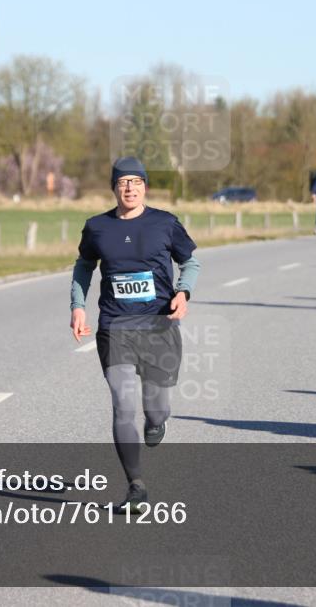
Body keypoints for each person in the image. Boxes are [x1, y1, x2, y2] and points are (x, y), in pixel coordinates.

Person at [70, 156, 201, 513]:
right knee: (123, 405)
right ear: (114, 188)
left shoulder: (165, 223)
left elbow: (190, 262)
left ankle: (157, 421)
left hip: (158, 326)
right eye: (123, 182)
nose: (129, 188)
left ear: (145, 186)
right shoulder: (97, 227)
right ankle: (136, 486)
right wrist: (78, 306)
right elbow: (84, 266)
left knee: (156, 409)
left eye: (136, 182)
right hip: (116, 328)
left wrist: (183, 291)